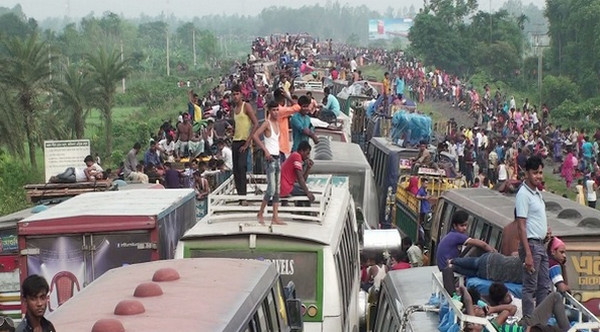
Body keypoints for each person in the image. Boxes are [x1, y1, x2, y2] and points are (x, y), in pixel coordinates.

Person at [516, 155, 551, 317]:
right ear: (527, 173)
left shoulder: (537, 193)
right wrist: (528, 254)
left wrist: (545, 231)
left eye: (540, 172)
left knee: (544, 286)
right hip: (531, 246)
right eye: (535, 173)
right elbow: (521, 225)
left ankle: (540, 322)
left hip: (541, 244)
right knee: (530, 287)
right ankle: (529, 324)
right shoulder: (523, 194)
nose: (538, 176)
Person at [461, 285, 570, 332]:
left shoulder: (488, 320)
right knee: (555, 297)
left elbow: (512, 309)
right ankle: (569, 329)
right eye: (475, 309)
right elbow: (505, 313)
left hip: (524, 322)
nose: (477, 307)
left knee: (555, 298)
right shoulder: (487, 328)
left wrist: (492, 309)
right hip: (527, 326)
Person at [252, 101, 284, 225]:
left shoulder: (278, 123)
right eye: (274, 110)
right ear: (269, 111)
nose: (276, 112)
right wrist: (265, 150)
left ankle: (275, 217)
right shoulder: (267, 123)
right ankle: (260, 212)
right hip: (270, 159)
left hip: (277, 157)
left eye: (277, 110)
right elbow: (255, 136)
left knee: (277, 190)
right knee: (270, 189)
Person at [231, 84, 258, 205]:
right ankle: (240, 196)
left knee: (242, 167)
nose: (235, 96)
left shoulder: (245, 106)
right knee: (236, 169)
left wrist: (248, 142)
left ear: (241, 94)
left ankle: (244, 196)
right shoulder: (234, 110)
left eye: (237, 94)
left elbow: (255, 123)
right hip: (235, 141)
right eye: (233, 94)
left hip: (244, 141)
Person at [416, 178, 431, 242]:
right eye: (425, 183)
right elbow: (417, 196)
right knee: (424, 225)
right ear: (422, 183)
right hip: (424, 211)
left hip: (427, 210)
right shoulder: (421, 190)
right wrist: (424, 197)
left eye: (427, 183)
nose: (426, 184)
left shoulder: (425, 190)